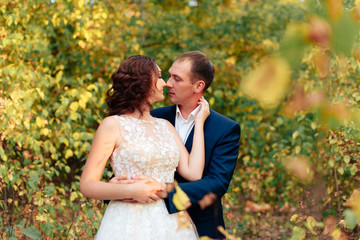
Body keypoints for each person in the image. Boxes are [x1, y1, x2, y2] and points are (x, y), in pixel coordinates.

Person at [79, 55, 210, 239]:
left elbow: (194, 172)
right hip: (127, 221)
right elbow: (87, 185)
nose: (165, 83)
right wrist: (130, 191)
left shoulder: (166, 126)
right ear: (143, 82)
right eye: (160, 76)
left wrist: (199, 123)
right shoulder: (113, 125)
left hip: (170, 222)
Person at [114, 51, 241, 239]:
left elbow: (217, 184)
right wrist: (118, 187)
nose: (168, 83)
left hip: (199, 225)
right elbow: (131, 159)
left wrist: (164, 190)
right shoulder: (155, 116)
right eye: (169, 75)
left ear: (198, 86)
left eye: (177, 79)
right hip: (142, 220)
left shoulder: (225, 129)